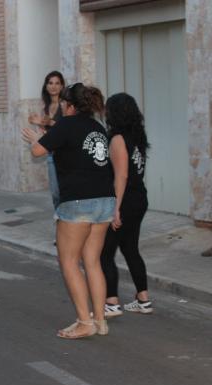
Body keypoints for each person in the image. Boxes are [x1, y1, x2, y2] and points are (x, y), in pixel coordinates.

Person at [22, 83, 113, 339]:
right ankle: (99, 320)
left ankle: (85, 322)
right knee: (93, 262)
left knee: (69, 262)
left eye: (63, 103)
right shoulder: (97, 127)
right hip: (104, 200)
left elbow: (38, 151)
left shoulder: (66, 124)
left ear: (70, 105)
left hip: (78, 203)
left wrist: (36, 138)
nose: (61, 106)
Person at [100, 93, 153, 317]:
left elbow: (120, 177)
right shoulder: (137, 135)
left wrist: (116, 209)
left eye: (108, 109)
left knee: (105, 253)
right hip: (139, 197)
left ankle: (111, 302)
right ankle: (143, 299)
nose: (105, 113)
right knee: (130, 248)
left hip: (125, 201)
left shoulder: (118, 139)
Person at [29, 71, 66, 210]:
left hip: (65, 153)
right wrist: (39, 124)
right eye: (50, 83)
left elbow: (68, 128)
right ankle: (60, 221)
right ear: (46, 86)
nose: (53, 86)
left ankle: (66, 223)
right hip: (51, 153)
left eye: (57, 83)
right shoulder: (46, 107)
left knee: (64, 190)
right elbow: (49, 133)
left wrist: (50, 122)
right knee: (55, 192)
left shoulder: (65, 106)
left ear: (62, 86)